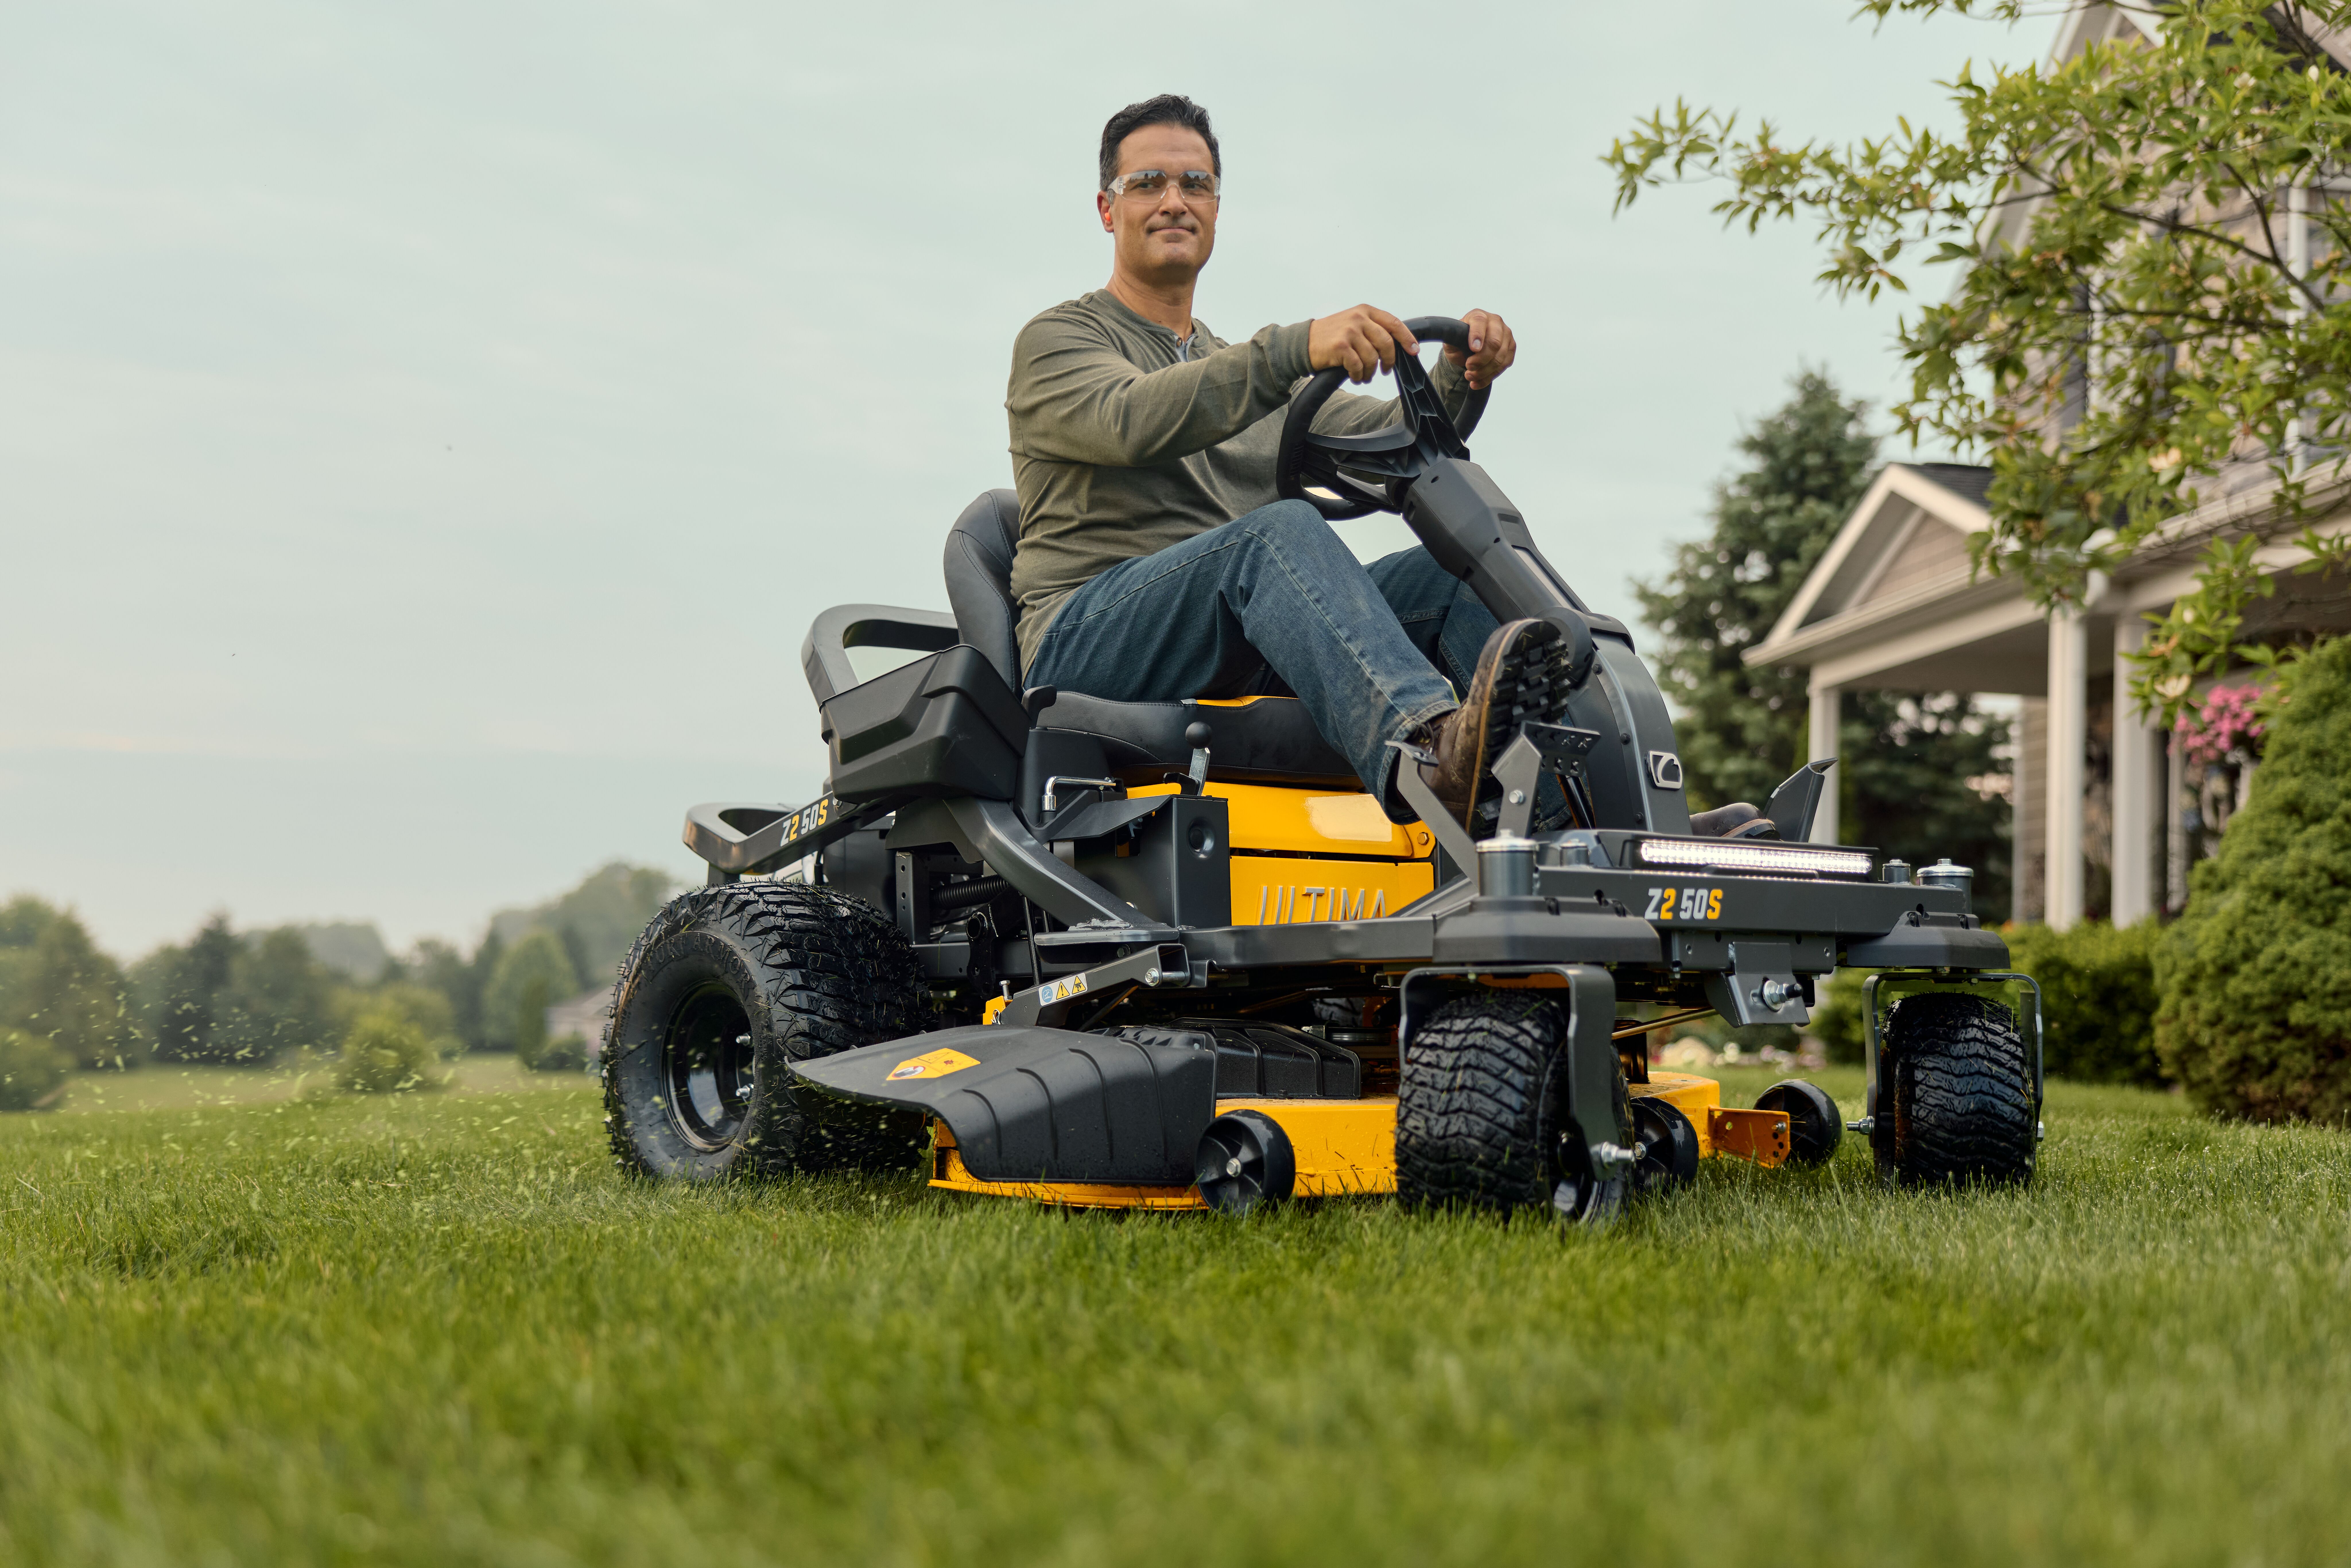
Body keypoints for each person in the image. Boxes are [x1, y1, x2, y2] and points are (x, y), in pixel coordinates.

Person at [1005, 94, 1570, 835]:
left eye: (1196, 185)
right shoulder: (1059, 341)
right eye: (1148, 183)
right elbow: (1132, 418)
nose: (1174, 200)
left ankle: (1583, 826)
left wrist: (1461, 379)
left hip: (1236, 634)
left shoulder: (1240, 371)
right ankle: (1427, 757)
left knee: (1449, 577)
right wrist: (1292, 349)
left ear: (1216, 209)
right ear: (1108, 211)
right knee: (1276, 534)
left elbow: (1388, 439)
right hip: (1088, 639)